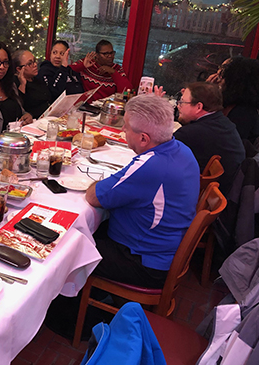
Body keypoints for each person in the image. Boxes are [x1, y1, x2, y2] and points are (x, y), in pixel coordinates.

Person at [85, 94, 199, 289]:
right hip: (163, 247)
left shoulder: (151, 165)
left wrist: (99, 183)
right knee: (90, 230)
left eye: (126, 127)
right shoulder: (182, 149)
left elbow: (94, 196)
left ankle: (74, 314)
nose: (123, 130)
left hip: (145, 261)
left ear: (144, 138)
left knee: (69, 250)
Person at [174, 82, 245, 196]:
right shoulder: (223, 123)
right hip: (217, 197)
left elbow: (155, 157)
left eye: (182, 101)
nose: (178, 105)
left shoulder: (190, 134)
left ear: (198, 107)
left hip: (192, 198)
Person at [13, 49, 51, 119]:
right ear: (19, 69)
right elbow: (19, 108)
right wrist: (22, 84)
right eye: (30, 63)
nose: (35, 65)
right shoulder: (14, 83)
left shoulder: (36, 79)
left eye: (34, 61)